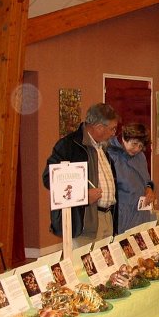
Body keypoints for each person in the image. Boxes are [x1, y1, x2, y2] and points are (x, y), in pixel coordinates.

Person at [42, 103, 119, 246]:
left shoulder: (102, 146)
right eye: (112, 129)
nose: (114, 133)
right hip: (85, 221)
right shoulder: (68, 145)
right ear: (99, 127)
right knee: (84, 266)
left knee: (106, 266)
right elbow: (49, 179)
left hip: (107, 217)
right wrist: (82, 195)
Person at [107, 123, 156, 233]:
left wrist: (149, 189)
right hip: (122, 215)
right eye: (134, 144)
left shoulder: (140, 157)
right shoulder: (110, 155)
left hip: (141, 212)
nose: (136, 149)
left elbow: (147, 181)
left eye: (140, 146)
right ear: (124, 138)